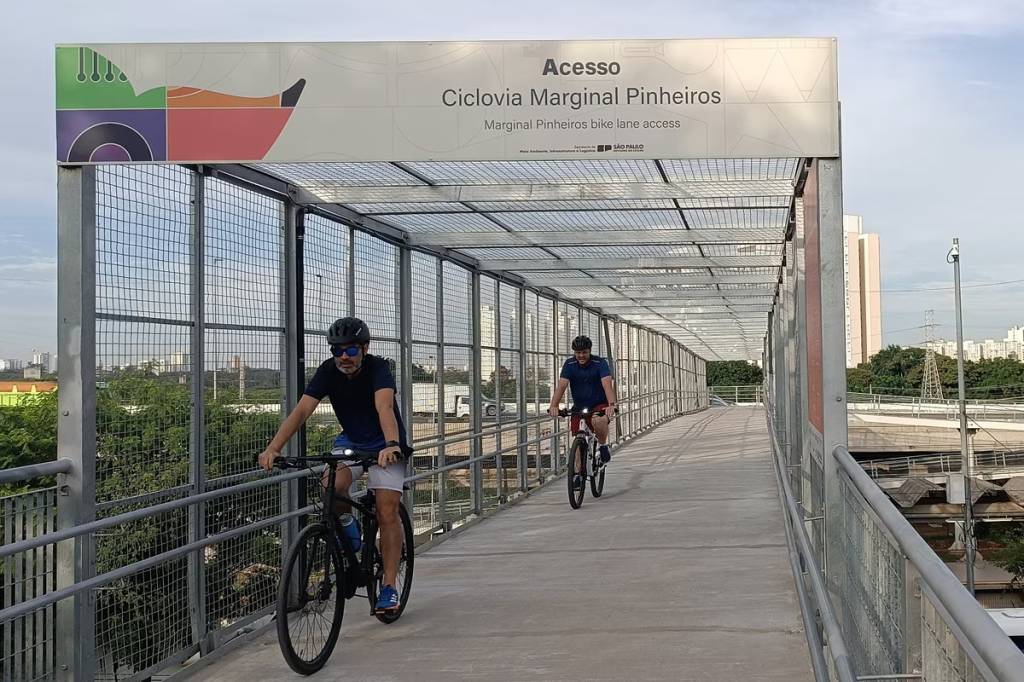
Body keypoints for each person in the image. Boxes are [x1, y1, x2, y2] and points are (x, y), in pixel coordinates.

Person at [258, 316, 409, 614]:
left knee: (386, 509)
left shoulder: (378, 368)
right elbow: (302, 410)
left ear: (364, 349)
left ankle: (389, 586)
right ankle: (348, 527)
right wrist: (274, 448)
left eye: (351, 350)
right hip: (351, 441)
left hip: (385, 445)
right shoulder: (328, 371)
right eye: (336, 350)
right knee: (331, 485)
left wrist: (391, 444)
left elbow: (385, 406)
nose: (343, 357)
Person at [548, 335, 617, 490]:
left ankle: (603, 445)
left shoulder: (600, 363)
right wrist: (554, 406)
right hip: (579, 406)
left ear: (589, 351)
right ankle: (578, 474)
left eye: (584, 352)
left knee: (598, 421)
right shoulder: (569, 364)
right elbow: (561, 386)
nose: (581, 356)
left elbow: (607, 385)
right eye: (577, 352)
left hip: (599, 404)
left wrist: (611, 405)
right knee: (579, 440)